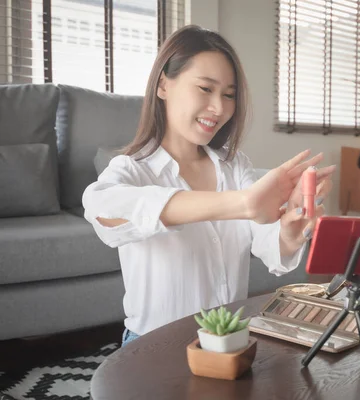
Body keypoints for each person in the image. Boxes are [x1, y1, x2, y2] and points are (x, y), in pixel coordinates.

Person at [82, 25, 335, 347]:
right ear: (163, 85)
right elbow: (103, 211)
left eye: (229, 95)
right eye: (205, 88)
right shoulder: (133, 169)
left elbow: (269, 246)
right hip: (153, 345)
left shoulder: (235, 166)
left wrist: (290, 227)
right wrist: (243, 204)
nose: (219, 108)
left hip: (226, 340)